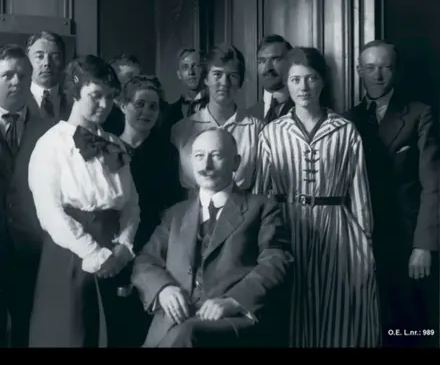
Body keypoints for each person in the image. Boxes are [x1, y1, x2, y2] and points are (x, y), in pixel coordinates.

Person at [253, 47, 380, 347]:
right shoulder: (271, 133)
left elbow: (359, 191)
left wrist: (366, 240)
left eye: (311, 78)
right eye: (295, 79)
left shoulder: (345, 131)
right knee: (292, 309)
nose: (303, 87)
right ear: (287, 83)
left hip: (338, 230)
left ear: (322, 82)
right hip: (287, 227)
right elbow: (260, 193)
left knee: (338, 309)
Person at [132, 128, 293, 347]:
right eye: (199, 156)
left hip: (229, 319)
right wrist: (163, 289)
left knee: (188, 334)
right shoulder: (175, 214)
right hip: (173, 322)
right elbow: (145, 261)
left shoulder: (262, 208)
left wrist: (234, 300)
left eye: (216, 156)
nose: (206, 166)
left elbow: (277, 261)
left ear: (236, 162)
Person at [27, 55, 140, 347]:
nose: (104, 104)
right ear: (75, 92)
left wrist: (123, 248)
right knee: (72, 335)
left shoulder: (114, 144)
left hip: (115, 255)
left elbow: (130, 205)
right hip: (71, 256)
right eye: (95, 96)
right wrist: (95, 254)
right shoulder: (51, 144)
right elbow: (50, 213)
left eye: (110, 97)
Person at [344, 40, 440, 348]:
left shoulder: (419, 114)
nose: (378, 75)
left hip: (406, 240)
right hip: (362, 240)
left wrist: (423, 245)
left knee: (410, 328)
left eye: (385, 67)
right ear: (359, 71)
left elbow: (433, 184)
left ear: (396, 70)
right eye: (370, 68)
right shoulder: (347, 119)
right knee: (369, 326)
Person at [0, 44, 55, 347]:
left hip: (33, 248)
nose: (16, 82)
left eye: (23, 75)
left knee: (29, 330)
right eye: (7, 75)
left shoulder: (50, 131)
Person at [113, 74, 184, 346]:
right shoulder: (107, 146)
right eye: (140, 104)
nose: (146, 112)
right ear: (123, 105)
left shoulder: (167, 153)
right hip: (111, 245)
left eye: (153, 106)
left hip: (150, 247)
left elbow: (173, 207)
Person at [171, 43, 263, 195]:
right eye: (217, 74)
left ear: (240, 82)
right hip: (192, 207)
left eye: (232, 76)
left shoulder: (256, 129)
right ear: (206, 79)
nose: (224, 83)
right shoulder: (181, 130)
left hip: (242, 207)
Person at [0, 30, 70, 122]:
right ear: (27, 61)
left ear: (63, 62)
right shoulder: (9, 97)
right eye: (39, 56)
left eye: (55, 57)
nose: (47, 63)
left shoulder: (75, 103)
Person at [245, 35, 294, 123]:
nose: (268, 68)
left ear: (291, 63)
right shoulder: (246, 117)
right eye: (262, 61)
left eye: (276, 60)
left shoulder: (304, 112)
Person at [160, 48, 208, 133]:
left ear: (205, 70)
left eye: (195, 66)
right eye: (185, 67)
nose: (191, 72)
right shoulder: (169, 112)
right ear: (179, 74)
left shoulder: (216, 107)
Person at [102, 54, 142, 135]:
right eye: (130, 76)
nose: (137, 81)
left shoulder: (143, 109)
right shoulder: (103, 110)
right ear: (114, 78)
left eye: (138, 77)